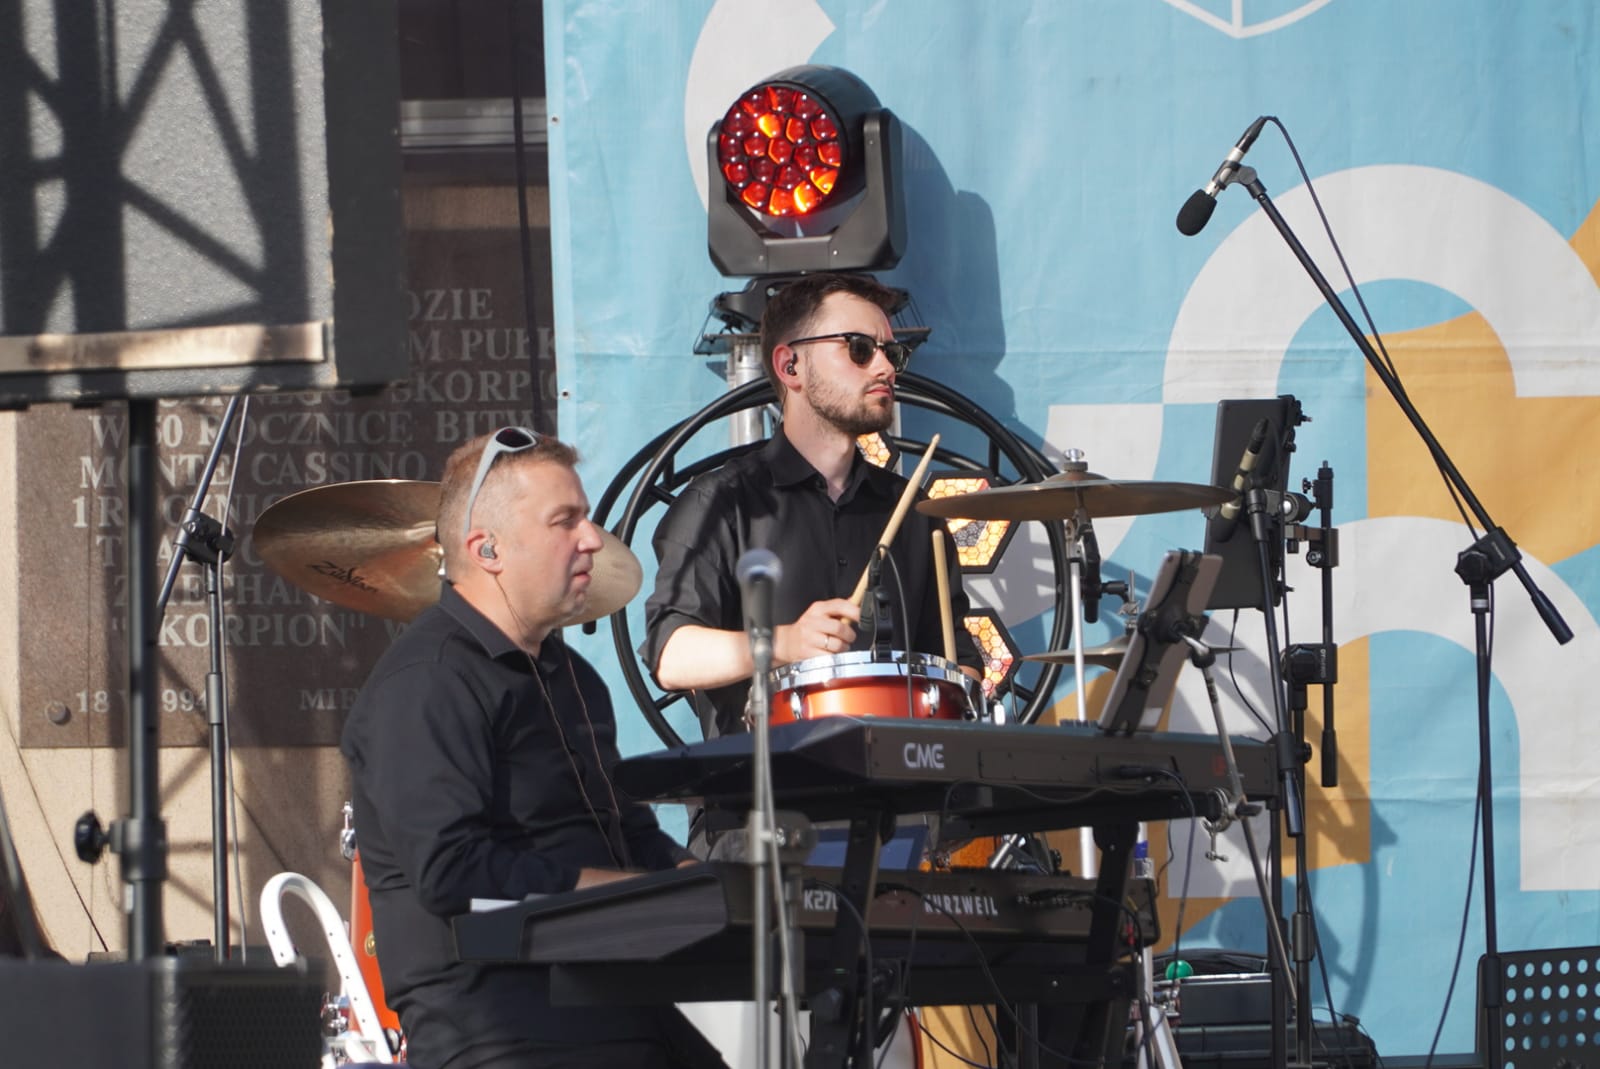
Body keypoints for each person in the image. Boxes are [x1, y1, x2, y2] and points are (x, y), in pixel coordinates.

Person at [341, 428, 720, 1069]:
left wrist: (709, 887)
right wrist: (633, 895)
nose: (593, 539)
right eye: (565, 521)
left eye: (587, 517)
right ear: (486, 549)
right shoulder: (428, 679)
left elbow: (629, 834)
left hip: (614, 1003)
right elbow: (451, 869)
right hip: (501, 1025)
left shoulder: (575, 679)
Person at [641, 271, 983, 745]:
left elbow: (958, 663)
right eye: (859, 349)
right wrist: (783, 642)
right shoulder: (719, 502)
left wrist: (955, 697)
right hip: (763, 783)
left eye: (892, 353)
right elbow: (670, 655)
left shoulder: (913, 511)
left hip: (901, 781)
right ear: (790, 366)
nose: (885, 368)